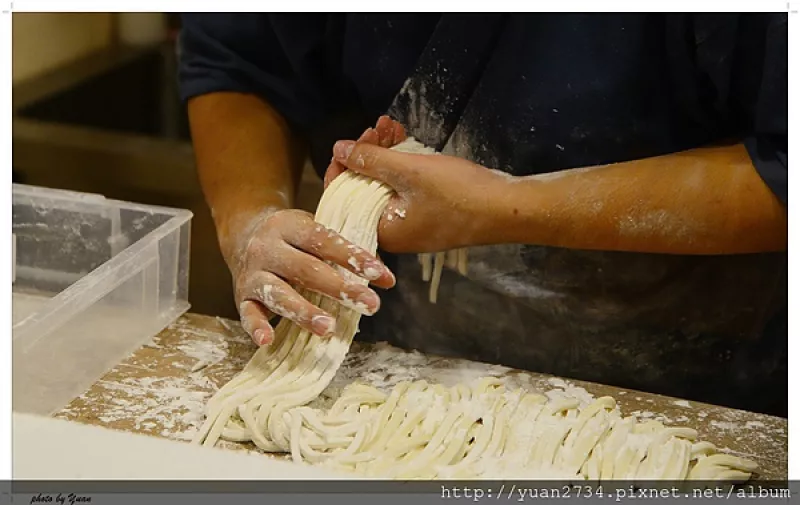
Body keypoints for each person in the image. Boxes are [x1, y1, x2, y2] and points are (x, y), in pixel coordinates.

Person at [178, 13, 787, 416]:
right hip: (388, 370)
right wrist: (252, 217)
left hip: (687, 384)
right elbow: (239, 60)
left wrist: (504, 207)